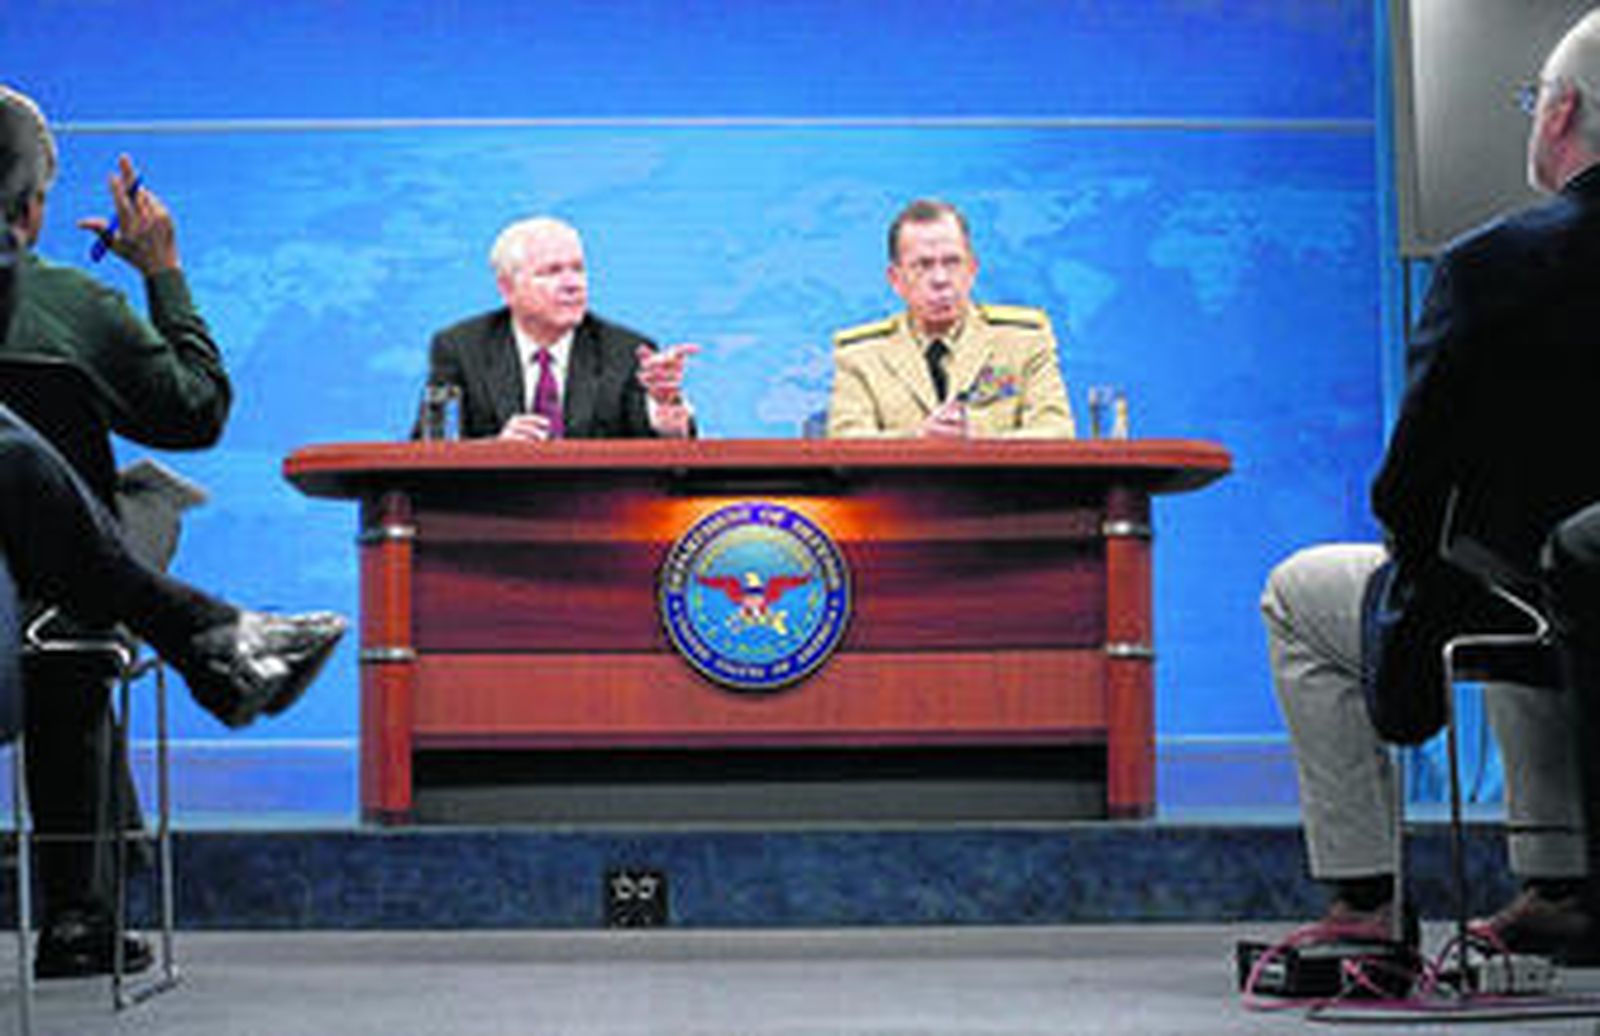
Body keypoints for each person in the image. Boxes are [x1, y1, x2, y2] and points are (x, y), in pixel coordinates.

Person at [1261, 8, 1600, 959]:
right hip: (1572, 583)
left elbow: (1411, 485)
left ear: (1561, 113)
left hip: (1526, 597)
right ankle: (1559, 881)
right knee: (1543, 565)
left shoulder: (1495, 264)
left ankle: (1365, 902)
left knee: (1307, 593)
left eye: (1535, 101)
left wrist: (1417, 565)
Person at [1, 83, 236, 978]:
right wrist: (161, 270)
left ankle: (90, 895)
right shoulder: (71, 304)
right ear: (30, 207)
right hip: (50, 596)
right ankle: (77, 917)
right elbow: (197, 410)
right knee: (88, 595)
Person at [423, 216, 696, 441]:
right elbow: (431, 447)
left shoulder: (626, 352)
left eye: (578, 269)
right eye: (552, 272)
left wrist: (666, 414)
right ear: (507, 288)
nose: (572, 284)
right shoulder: (461, 348)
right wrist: (494, 450)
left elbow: (664, 455)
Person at [825, 198, 1075, 439]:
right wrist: (918, 441)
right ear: (895, 279)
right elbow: (845, 441)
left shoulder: (1023, 341)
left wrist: (973, 442)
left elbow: (1057, 432)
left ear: (972, 270)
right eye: (923, 265)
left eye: (952, 262)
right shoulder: (860, 355)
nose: (941, 279)